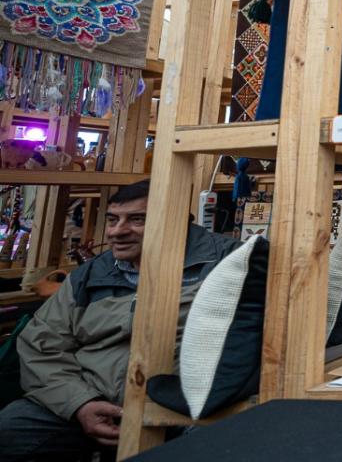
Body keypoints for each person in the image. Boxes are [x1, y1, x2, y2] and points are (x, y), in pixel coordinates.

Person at [0, 180, 240, 461]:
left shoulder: (228, 263)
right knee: (11, 430)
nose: (117, 231)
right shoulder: (91, 274)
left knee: (212, 446)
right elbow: (42, 346)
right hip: (91, 397)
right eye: (113, 220)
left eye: (137, 220)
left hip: (185, 407)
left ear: (176, 221)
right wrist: (81, 403)